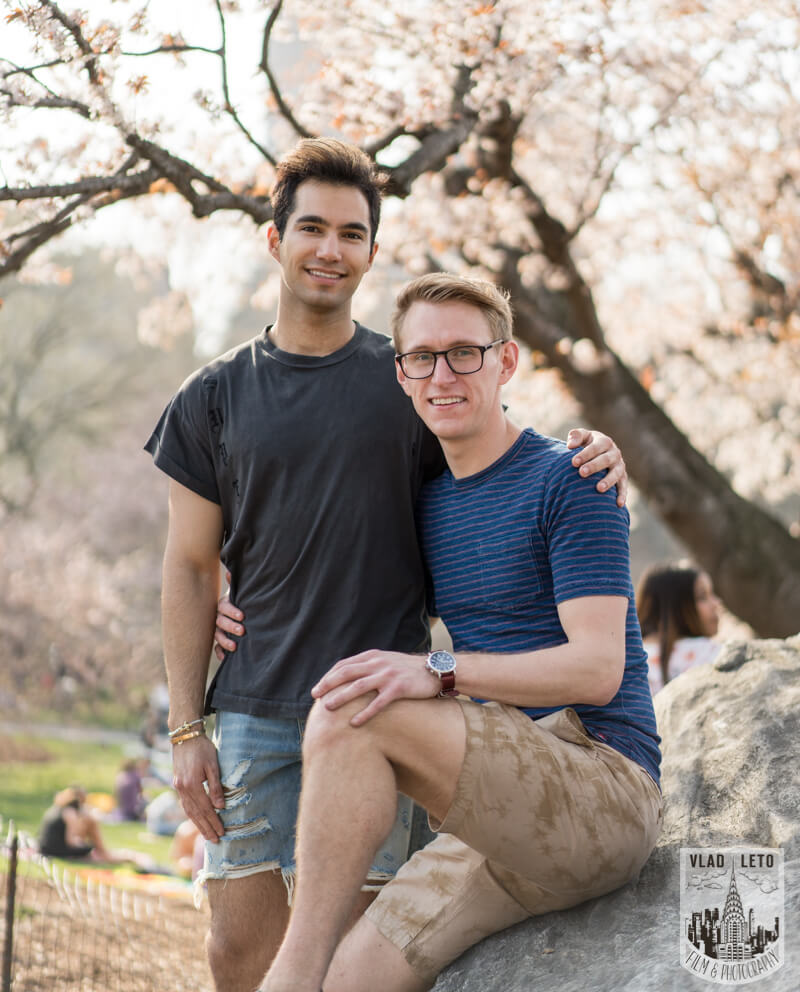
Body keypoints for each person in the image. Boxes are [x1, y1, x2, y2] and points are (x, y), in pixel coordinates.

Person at [144, 138, 628, 992]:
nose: (331, 249)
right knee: (238, 953)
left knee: (349, 952)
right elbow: (188, 567)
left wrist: (597, 455)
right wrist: (188, 729)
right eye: (312, 228)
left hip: (384, 713)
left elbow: (501, 464)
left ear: (372, 249)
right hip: (254, 707)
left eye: (352, 233)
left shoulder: (407, 380)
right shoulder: (211, 397)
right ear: (275, 239)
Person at [258, 273, 662, 992]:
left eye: (464, 354)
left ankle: (288, 974)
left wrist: (438, 672)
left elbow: (598, 668)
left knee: (350, 708)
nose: (442, 374)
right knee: (352, 982)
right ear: (402, 374)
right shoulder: (423, 501)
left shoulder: (571, 479)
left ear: (505, 363)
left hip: (599, 790)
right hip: (497, 817)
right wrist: (231, 598)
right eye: (422, 357)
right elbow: (314, 556)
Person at [636, 560, 722, 695]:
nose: (716, 603)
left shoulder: (628, 660)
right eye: (702, 597)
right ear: (675, 608)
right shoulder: (710, 653)